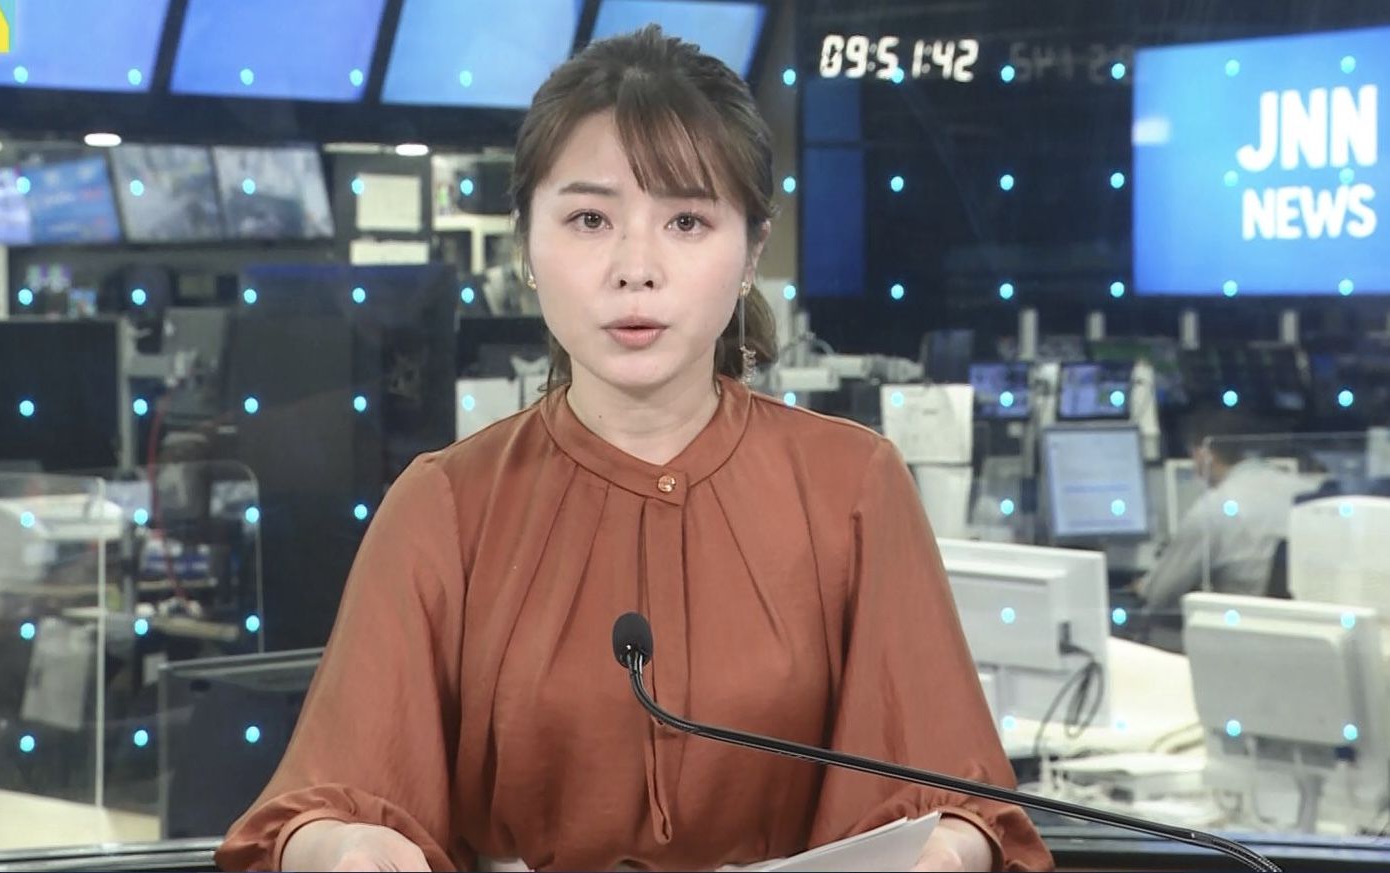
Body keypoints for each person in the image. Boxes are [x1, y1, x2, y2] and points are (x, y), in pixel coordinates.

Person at [216, 26, 1052, 873]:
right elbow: (321, 805)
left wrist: (951, 851)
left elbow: (961, 802)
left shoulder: (855, 486)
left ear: (752, 250)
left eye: (687, 220)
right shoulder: (444, 504)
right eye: (590, 219)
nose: (635, 267)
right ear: (526, 244)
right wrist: (344, 847)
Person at [1136, 408, 1308, 614]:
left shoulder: (1212, 509)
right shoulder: (1305, 489)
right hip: (1308, 620)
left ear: (1203, 453)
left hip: (1241, 624)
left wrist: (1143, 586)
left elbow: (1159, 594)